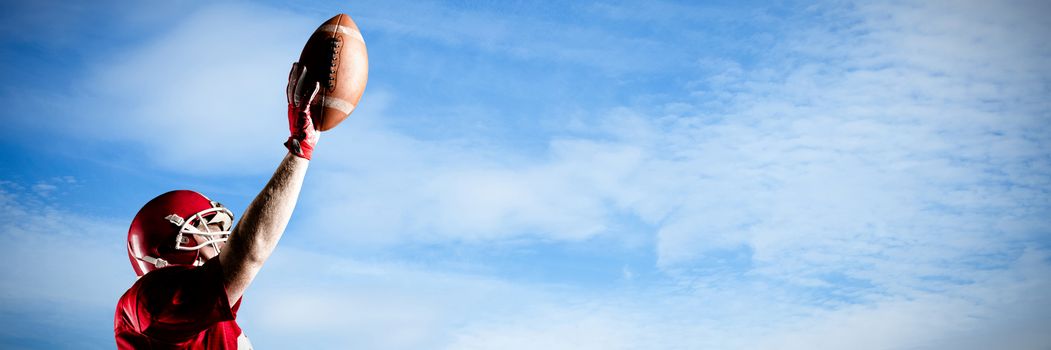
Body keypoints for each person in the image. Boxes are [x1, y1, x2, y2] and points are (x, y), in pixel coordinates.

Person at [114, 63, 322, 349]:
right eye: (211, 229)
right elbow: (248, 255)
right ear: (177, 240)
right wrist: (301, 148)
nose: (225, 241)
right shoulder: (145, 303)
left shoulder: (219, 325)